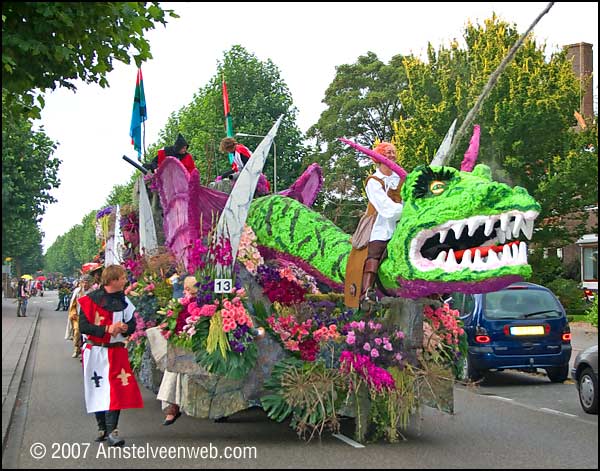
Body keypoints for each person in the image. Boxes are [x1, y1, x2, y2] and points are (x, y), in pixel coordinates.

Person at [78, 265, 144, 447]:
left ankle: (112, 431)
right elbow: (84, 327)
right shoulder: (89, 300)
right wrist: (106, 329)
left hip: (116, 351)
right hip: (96, 351)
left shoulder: (124, 301)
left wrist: (125, 328)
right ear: (113, 280)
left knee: (116, 389)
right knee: (98, 388)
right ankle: (102, 428)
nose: (125, 281)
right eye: (122, 278)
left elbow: (131, 324)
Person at [344, 142, 404, 309]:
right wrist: (406, 210)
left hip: (402, 225)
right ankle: (367, 290)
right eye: (387, 153)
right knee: (375, 253)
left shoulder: (401, 179)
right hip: (380, 225)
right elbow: (386, 209)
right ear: (378, 158)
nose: (391, 155)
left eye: (393, 152)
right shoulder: (373, 181)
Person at [156, 275, 197, 426]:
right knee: (172, 373)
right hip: (182, 346)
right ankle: (172, 409)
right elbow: (172, 322)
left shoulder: (204, 303)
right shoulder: (179, 304)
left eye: (195, 292)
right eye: (191, 292)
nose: (193, 295)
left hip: (199, 345)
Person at [67, 275, 93, 358]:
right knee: (77, 332)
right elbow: (73, 304)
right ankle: (76, 348)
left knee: (87, 334)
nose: (85, 285)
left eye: (87, 283)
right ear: (81, 283)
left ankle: (86, 351)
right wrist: (73, 312)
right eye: (83, 283)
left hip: (89, 317)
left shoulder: (93, 292)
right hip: (78, 316)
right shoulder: (77, 291)